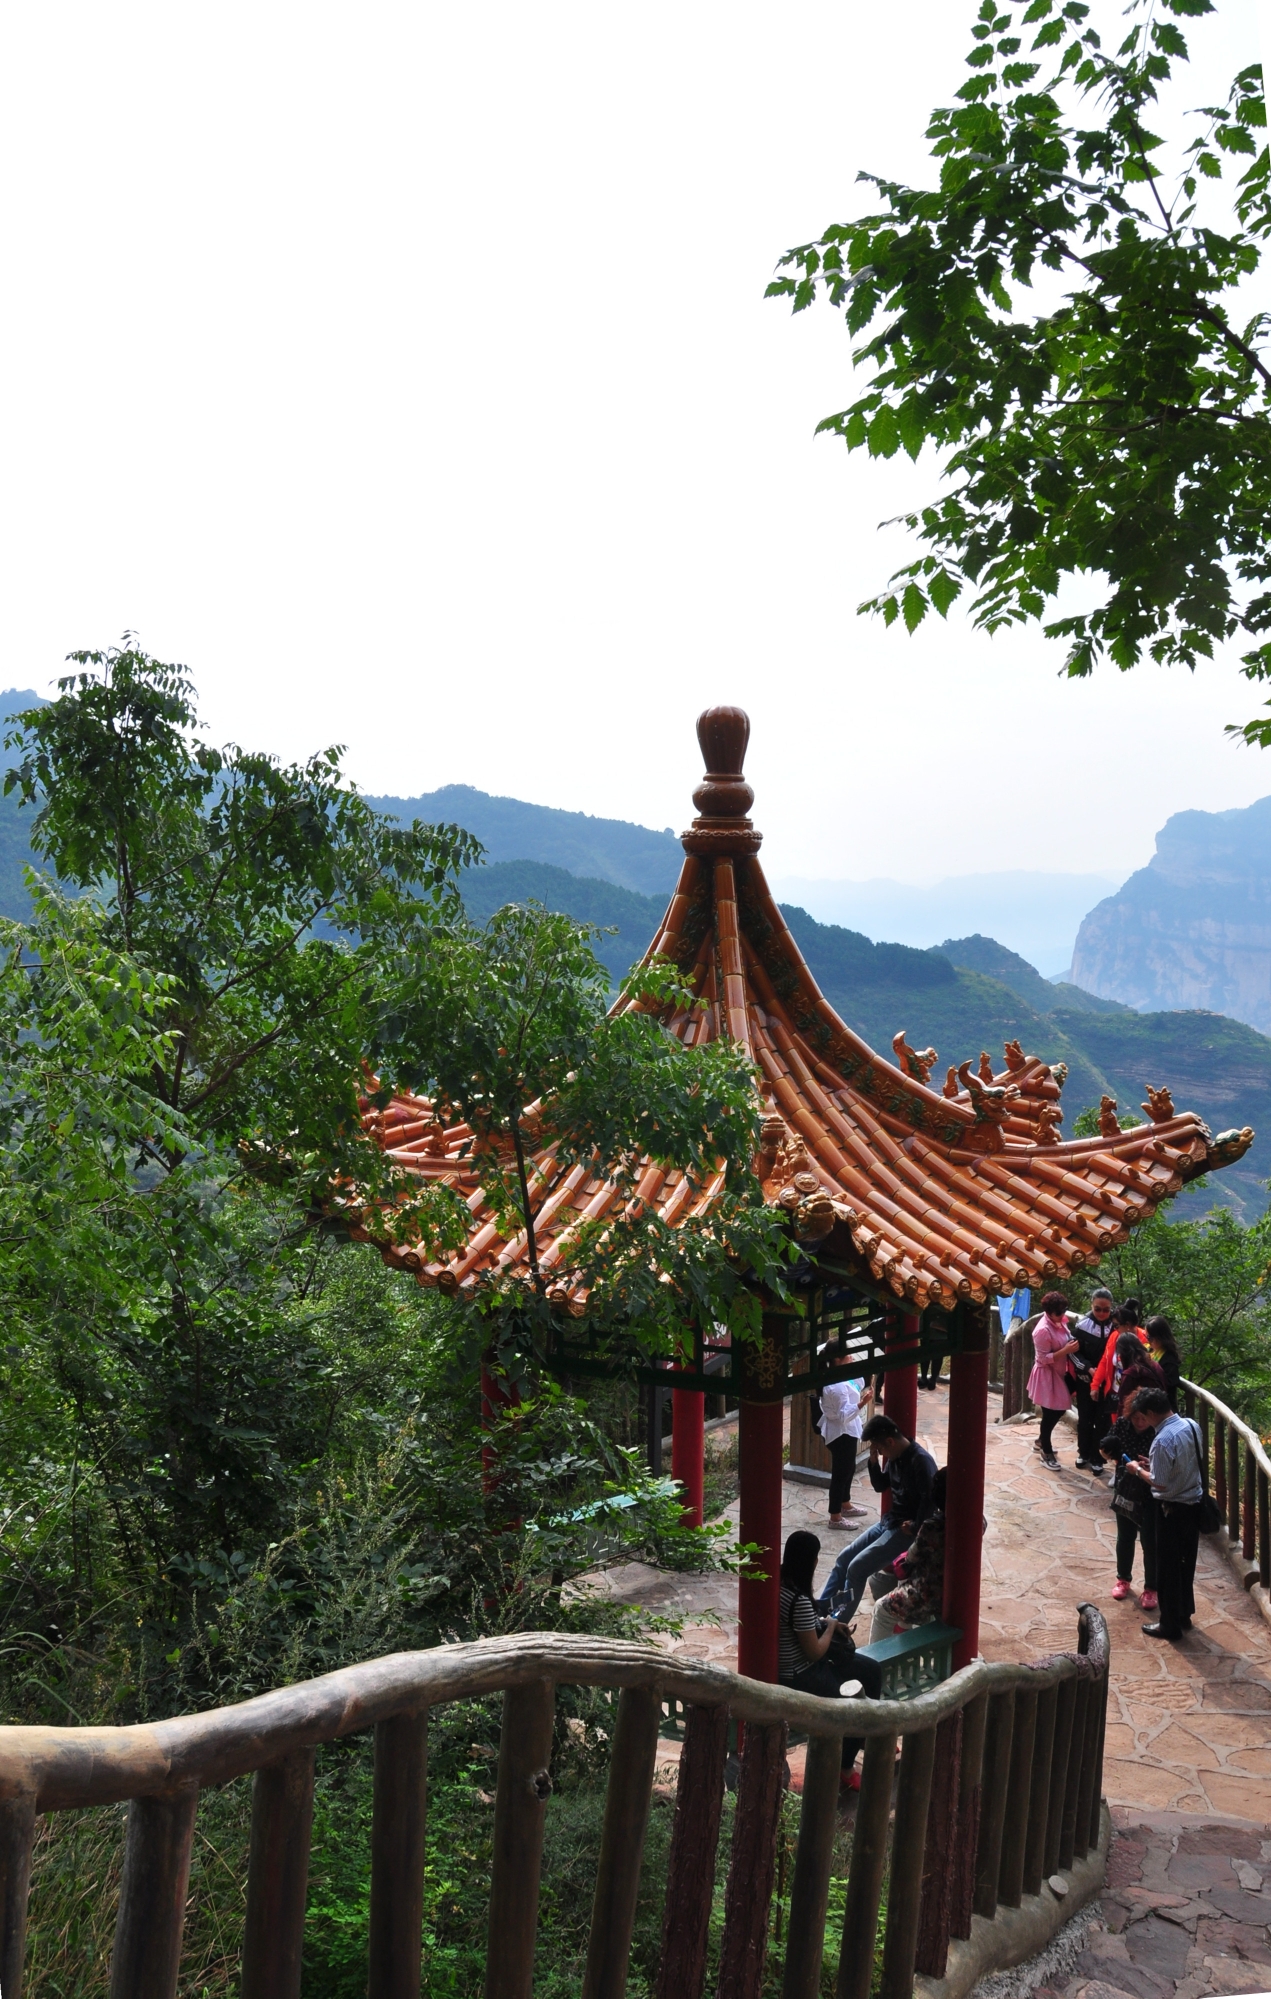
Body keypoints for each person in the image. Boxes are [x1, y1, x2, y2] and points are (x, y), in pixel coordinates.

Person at [777, 1530, 883, 1788]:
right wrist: (832, 1625)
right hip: (802, 1675)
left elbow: (806, 1626)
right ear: (811, 1561)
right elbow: (814, 1651)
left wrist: (828, 1624)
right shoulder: (798, 1599)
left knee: (871, 1670)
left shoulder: (781, 1585)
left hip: (805, 1666)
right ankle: (845, 1766)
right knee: (855, 1703)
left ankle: (862, 1737)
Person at [816, 1414, 937, 1620]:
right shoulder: (895, 1456)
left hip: (905, 1530)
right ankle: (819, 1609)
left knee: (856, 1569)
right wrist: (874, 1462)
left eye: (878, 1447)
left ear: (890, 1441)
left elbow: (930, 1501)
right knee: (844, 1558)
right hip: (890, 1522)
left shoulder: (921, 1461)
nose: (879, 1451)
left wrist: (916, 1526)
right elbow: (881, 1485)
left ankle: (837, 1624)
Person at [1124, 1387, 1203, 1640]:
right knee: (1185, 1563)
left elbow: (1159, 1482)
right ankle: (1183, 1613)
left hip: (1170, 1510)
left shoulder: (1162, 1440)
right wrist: (1155, 1463)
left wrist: (1136, 1469)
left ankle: (1169, 1625)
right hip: (1194, 1505)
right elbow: (1188, 1460)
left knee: (1167, 1568)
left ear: (1149, 1413)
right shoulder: (1191, 1425)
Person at [870, 1468, 947, 1641]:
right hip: (955, 1591)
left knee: (881, 1610)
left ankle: (876, 1660)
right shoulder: (978, 1522)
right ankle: (906, 1627)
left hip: (929, 1593)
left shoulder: (933, 1527)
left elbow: (912, 1556)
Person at [1099, 1396, 1160, 1608]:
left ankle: (1151, 1588)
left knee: (1150, 1541)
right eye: (1136, 1418)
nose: (1140, 1422)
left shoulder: (1159, 1431)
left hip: (1150, 1492)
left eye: (1144, 1418)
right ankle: (1123, 1578)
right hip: (1125, 1487)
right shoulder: (1122, 1425)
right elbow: (1105, 1450)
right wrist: (1106, 1451)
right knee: (1125, 1537)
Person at [1029, 1292, 1079, 1469]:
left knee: (1058, 1411)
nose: (1062, 1315)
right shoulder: (1042, 1330)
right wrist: (1065, 1350)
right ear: (1049, 1312)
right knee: (1050, 1414)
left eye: (1064, 1311)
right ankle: (1046, 1451)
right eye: (1059, 1312)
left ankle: (1041, 1441)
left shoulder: (1059, 1322)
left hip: (1059, 1373)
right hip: (1046, 1375)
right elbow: (1042, 1358)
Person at [820, 1363, 872, 1526]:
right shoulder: (835, 1386)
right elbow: (843, 1415)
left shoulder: (842, 1376)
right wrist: (862, 1403)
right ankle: (835, 1516)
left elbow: (859, 1383)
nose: (852, 1357)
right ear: (837, 1359)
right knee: (840, 1474)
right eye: (848, 1355)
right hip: (840, 1432)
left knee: (850, 1468)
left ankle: (845, 1503)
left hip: (849, 1430)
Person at [1071, 1288, 1115, 1472]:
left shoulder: (1116, 1325)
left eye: (1106, 1310)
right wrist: (1088, 1368)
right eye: (1098, 1309)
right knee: (1085, 1418)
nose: (1102, 1313)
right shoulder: (1082, 1325)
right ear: (1092, 1306)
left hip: (1108, 1382)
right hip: (1085, 1379)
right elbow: (1073, 1352)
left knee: (1103, 1419)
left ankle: (1098, 1457)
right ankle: (1084, 1453)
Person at [1089, 1304, 1148, 1403]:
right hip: (1114, 1391)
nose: (1114, 1329)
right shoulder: (1114, 1336)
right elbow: (1105, 1360)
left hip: (1136, 1395)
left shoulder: (1145, 1340)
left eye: (1116, 1325)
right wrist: (1095, 1385)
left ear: (1127, 1325)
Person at [1146, 1316, 1181, 1409]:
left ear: (1160, 1337)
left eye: (1150, 1338)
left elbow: (1170, 1384)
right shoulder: (1149, 1351)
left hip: (1164, 1407)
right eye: (1147, 1337)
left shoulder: (1169, 1358)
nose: (1148, 1341)